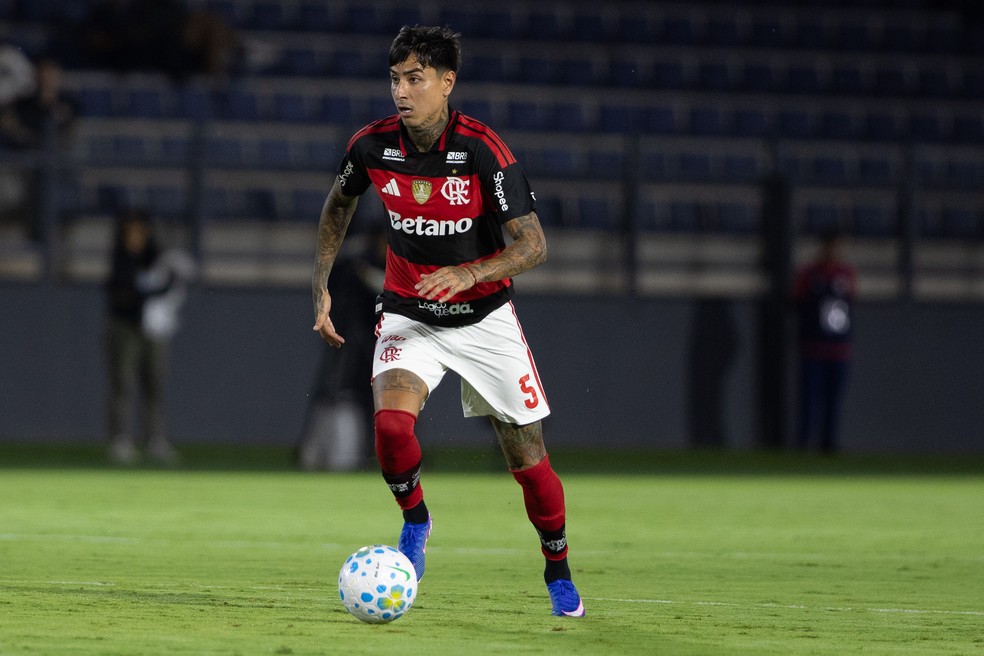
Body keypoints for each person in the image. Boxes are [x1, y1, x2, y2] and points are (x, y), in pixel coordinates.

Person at [311, 26, 584, 617]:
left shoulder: (483, 149)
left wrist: (470, 272)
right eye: (395, 79)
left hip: (485, 318)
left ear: (447, 82)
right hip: (410, 311)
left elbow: (534, 245)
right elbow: (339, 204)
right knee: (391, 428)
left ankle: (557, 566)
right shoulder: (371, 145)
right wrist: (322, 285)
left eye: (415, 79)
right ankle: (416, 520)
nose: (401, 92)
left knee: (529, 462)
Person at [105, 208, 195, 465]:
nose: (137, 236)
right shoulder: (121, 260)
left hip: (153, 331)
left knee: (155, 383)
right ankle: (120, 439)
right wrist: (147, 294)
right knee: (123, 382)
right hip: (126, 327)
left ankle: (156, 439)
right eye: (132, 231)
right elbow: (123, 293)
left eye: (141, 231)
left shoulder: (155, 258)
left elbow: (172, 281)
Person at [296, 225, 386, 472]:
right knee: (341, 393)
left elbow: (389, 290)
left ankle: (383, 453)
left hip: (382, 343)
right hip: (352, 341)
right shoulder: (354, 264)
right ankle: (343, 453)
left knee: (387, 398)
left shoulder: (383, 266)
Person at [792, 228, 857, 453]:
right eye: (832, 246)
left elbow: (850, 302)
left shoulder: (846, 274)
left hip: (838, 347)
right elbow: (797, 301)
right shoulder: (810, 273)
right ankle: (804, 442)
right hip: (813, 346)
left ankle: (829, 443)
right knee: (809, 398)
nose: (835, 251)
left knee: (833, 399)